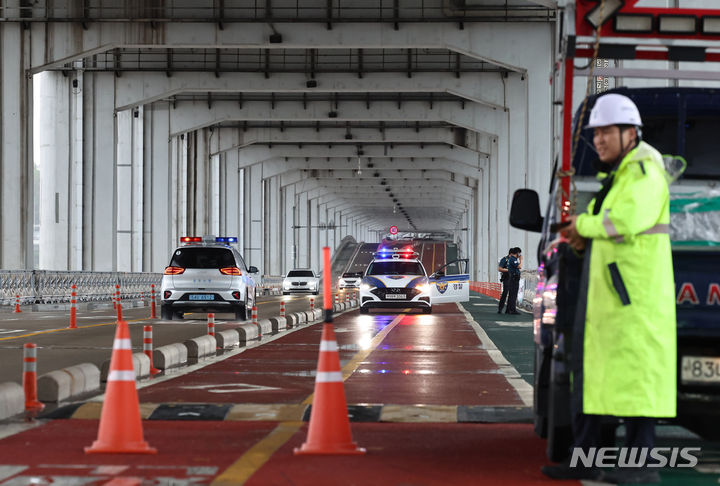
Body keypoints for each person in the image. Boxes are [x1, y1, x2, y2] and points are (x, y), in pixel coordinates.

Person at [541, 93, 676, 483]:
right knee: (595, 381)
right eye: (595, 133)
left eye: (606, 132)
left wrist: (581, 226)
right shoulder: (621, 174)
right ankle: (586, 460)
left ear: (630, 133)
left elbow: (626, 220)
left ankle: (641, 469)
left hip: (633, 301)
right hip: (613, 301)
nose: (598, 140)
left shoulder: (645, 170)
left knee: (635, 386)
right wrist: (585, 231)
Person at [498, 248, 522, 314]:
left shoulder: (514, 259)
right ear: (510, 254)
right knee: (505, 292)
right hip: (506, 277)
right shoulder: (505, 259)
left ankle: (509, 309)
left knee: (512, 294)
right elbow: (500, 268)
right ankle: (500, 308)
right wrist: (509, 270)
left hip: (512, 277)